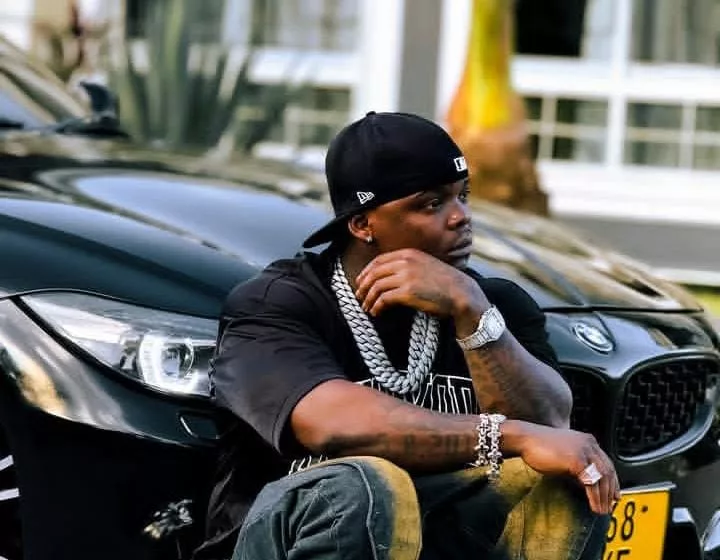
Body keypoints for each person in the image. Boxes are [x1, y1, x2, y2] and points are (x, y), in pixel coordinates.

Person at [194, 111, 619, 560]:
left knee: (565, 475)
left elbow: (550, 424)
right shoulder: (278, 303)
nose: (461, 218)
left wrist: (472, 312)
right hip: (288, 538)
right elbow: (331, 424)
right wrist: (510, 437)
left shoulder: (493, 304)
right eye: (430, 204)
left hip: (437, 539)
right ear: (363, 224)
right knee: (363, 486)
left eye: (462, 196)